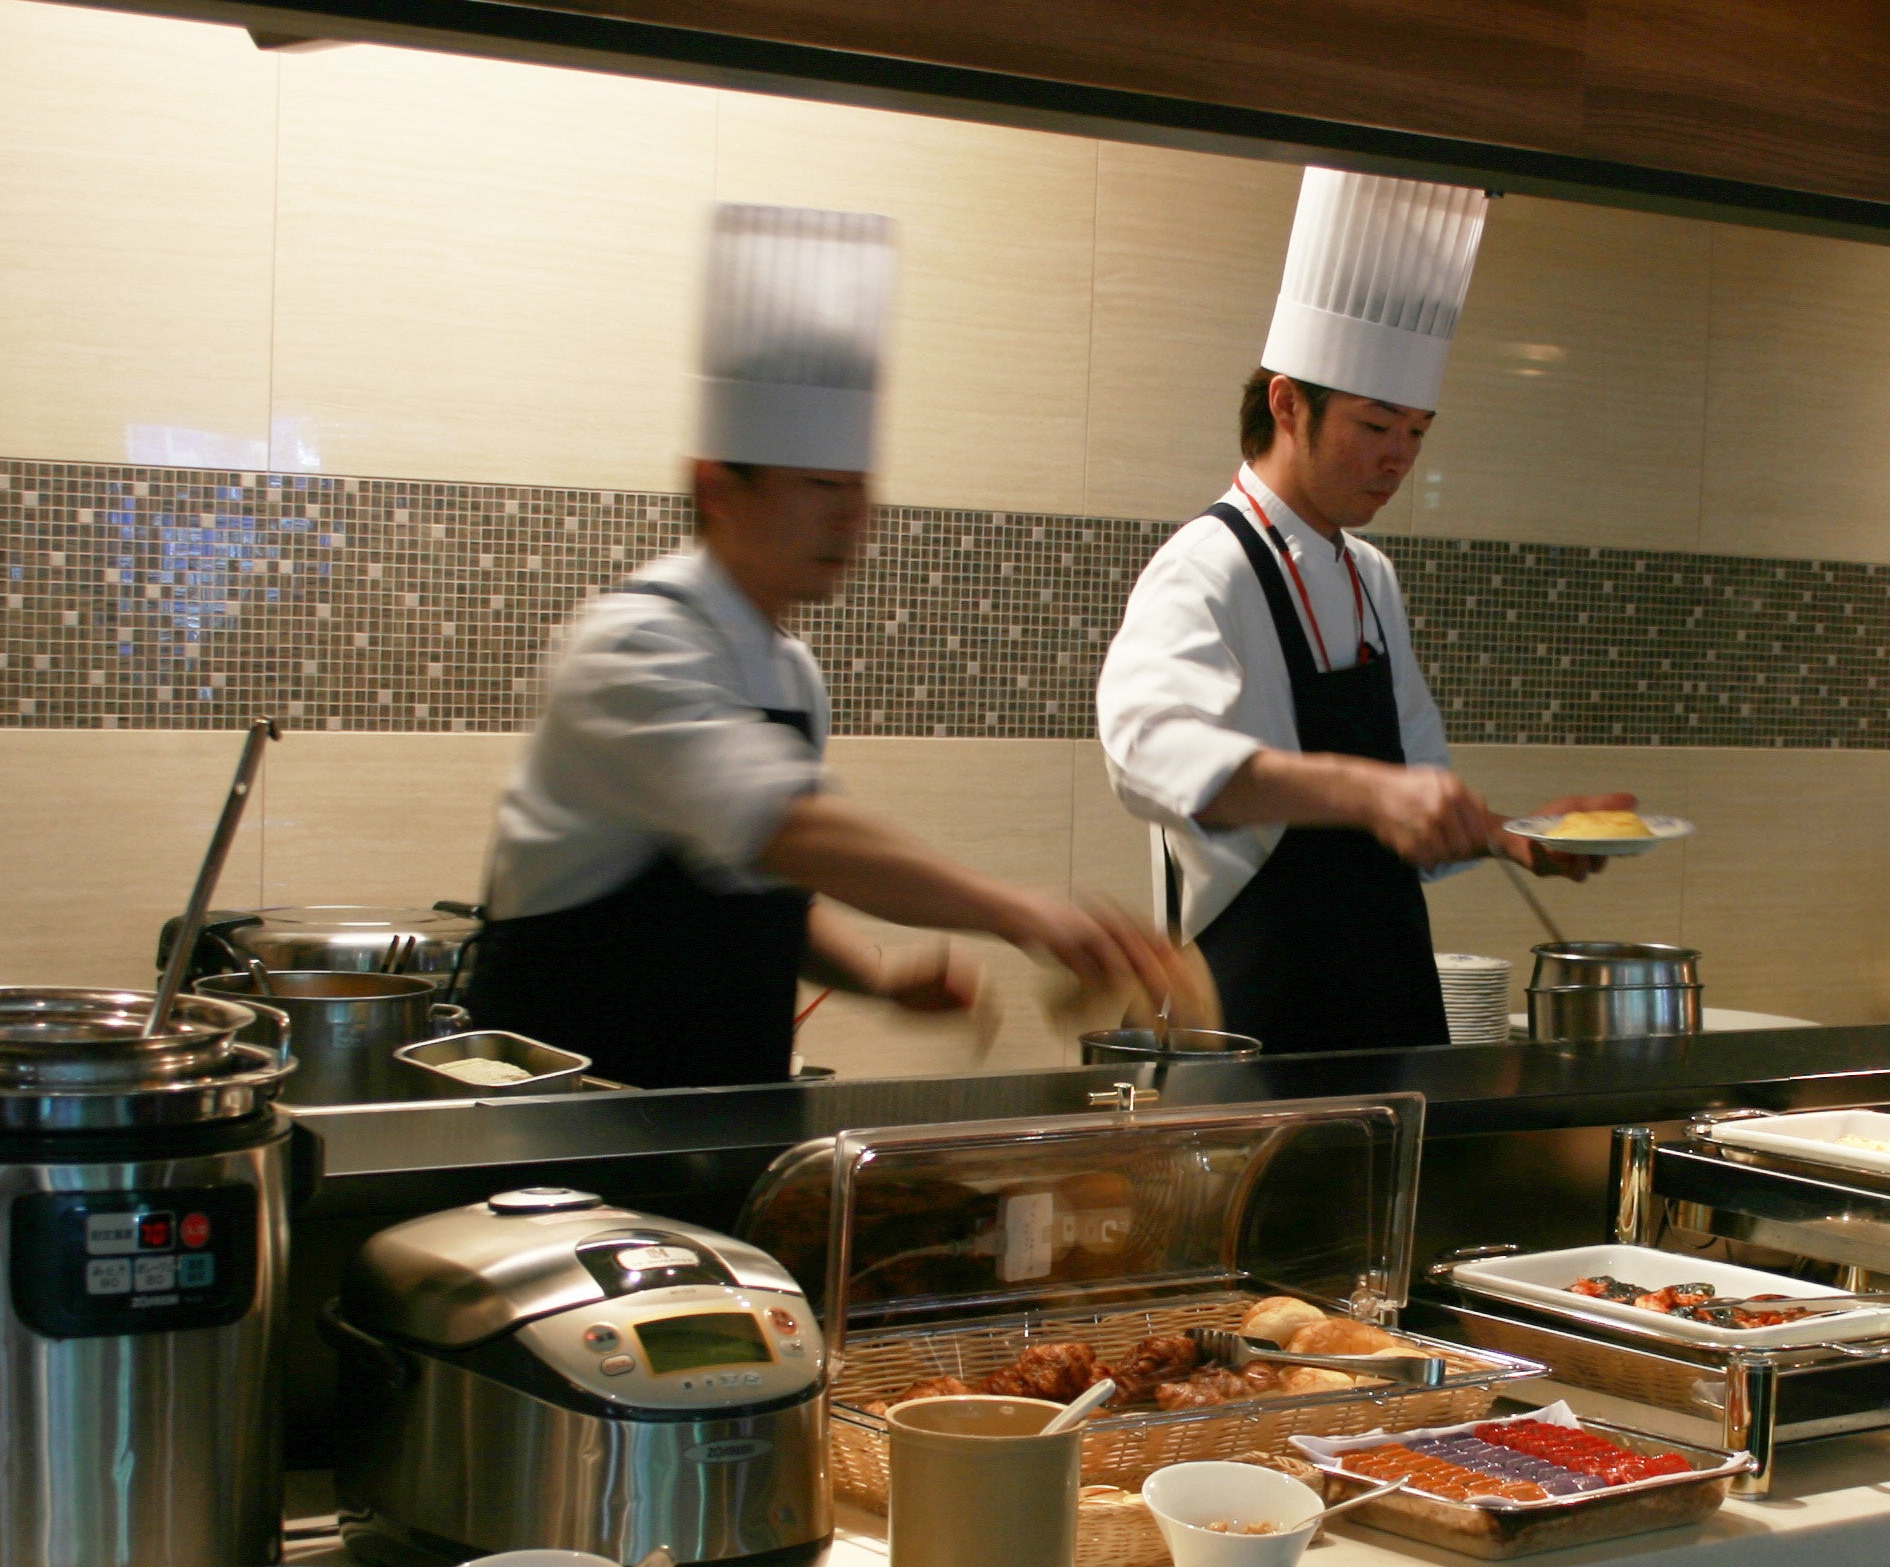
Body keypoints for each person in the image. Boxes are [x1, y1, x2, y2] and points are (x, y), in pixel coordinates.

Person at [477, 204, 1181, 1088]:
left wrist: (877, 978)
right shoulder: (631, 648)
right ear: (716, 487)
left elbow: (750, 886)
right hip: (569, 1120)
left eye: (859, 487)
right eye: (819, 485)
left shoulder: (789, 671)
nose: (852, 518)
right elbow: (789, 831)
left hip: (716, 1109)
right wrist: (1019, 912)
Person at [1095, 168, 1625, 1054]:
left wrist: (1519, 836)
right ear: (1287, 403)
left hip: (1386, 1015)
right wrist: (1365, 790)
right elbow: (1146, 751)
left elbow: (1412, 798)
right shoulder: (1206, 564)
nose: (1398, 459)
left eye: (1417, 432)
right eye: (1376, 428)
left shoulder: (1371, 577)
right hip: (1254, 1027)